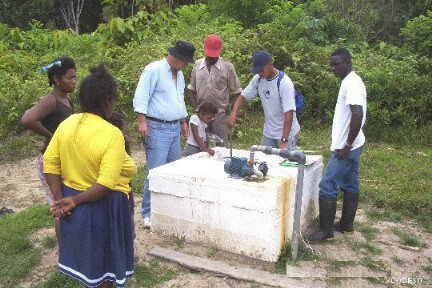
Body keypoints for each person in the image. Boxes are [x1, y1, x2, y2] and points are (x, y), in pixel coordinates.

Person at [44, 65, 136, 288]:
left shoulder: (67, 124)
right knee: (105, 266)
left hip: (74, 201)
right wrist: (72, 201)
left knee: (91, 264)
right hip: (103, 204)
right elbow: (105, 183)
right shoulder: (111, 133)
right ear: (106, 100)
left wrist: (60, 199)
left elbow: (50, 163)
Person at [133, 40, 196, 228]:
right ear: (177, 58)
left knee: (171, 170)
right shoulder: (154, 70)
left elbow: (179, 100)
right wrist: (142, 121)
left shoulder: (180, 75)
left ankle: (167, 209)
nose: (186, 65)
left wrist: (183, 121)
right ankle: (148, 212)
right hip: (156, 126)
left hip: (174, 127)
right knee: (155, 171)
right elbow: (141, 95)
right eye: (185, 62)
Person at [307, 48, 367, 242]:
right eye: (331, 64)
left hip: (346, 147)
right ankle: (346, 225)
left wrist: (347, 144)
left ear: (348, 63)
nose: (333, 68)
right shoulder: (349, 81)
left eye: (336, 64)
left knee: (327, 185)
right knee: (350, 183)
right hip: (353, 144)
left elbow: (357, 113)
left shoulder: (352, 84)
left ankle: (326, 231)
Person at [21, 56, 76, 243]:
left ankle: (70, 246)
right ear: (57, 79)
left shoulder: (65, 99)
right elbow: (27, 119)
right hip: (50, 161)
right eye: (70, 78)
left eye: (75, 77)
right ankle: (64, 252)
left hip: (63, 159)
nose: (74, 81)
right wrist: (51, 135)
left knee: (67, 202)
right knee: (59, 206)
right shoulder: (51, 100)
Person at [228, 51, 300, 150]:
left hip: (286, 133)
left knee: (284, 162)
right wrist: (233, 114)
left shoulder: (284, 83)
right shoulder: (258, 79)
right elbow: (242, 97)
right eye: (258, 71)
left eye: (262, 70)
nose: (260, 73)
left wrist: (284, 140)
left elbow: (289, 114)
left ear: (270, 64)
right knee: (264, 161)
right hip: (269, 132)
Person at [188, 34, 242, 143]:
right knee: (201, 146)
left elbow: (237, 93)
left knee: (222, 147)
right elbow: (191, 90)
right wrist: (196, 111)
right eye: (209, 55)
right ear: (204, 50)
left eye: (214, 55)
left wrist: (231, 113)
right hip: (201, 114)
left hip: (220, 115)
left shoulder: (227, 67)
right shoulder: (197, 66)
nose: (212, 58)